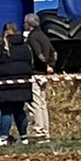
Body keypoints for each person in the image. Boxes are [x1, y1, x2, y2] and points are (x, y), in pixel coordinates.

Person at [0, 23, 34, 145]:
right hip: (22, 84)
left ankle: (3, 137)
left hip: (4, 85)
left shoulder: (0, 46)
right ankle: (24, 137)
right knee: (19, 110)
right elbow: (31, 62)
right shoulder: (26, 46)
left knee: (6, 111)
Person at [23, 13, 56, 142]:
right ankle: (46, 131)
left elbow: (38, 54)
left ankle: (39, 131)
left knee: (36, 104)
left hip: (36, 72)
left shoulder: (33, 37)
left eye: (25, 22)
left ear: (29, 24)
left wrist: (45, 64)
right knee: (42, 104)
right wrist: (51, 65)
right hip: (44, 75)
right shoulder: (44, 36)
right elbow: (54, 52)